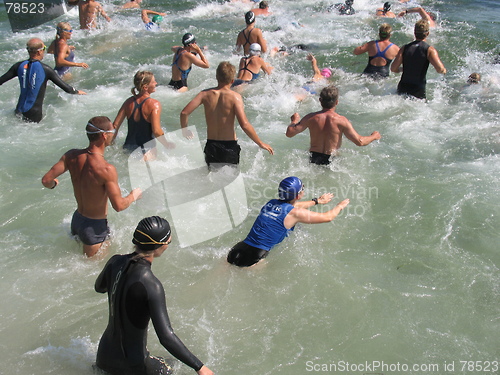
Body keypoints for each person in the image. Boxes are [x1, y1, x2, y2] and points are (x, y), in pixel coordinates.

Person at [95, 216, 214, 375]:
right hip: (133, 366)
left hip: (104, 357)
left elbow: (99, 287)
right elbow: (166, 337)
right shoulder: (151, 285)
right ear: (162, 245)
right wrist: (200, 367)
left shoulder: (114, 261)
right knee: (173, 366)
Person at [41, 117, 142, 257]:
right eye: (112, 131)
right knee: (93, 273)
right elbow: (119, 206)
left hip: (77, 220)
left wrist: (54, 184)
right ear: (104, 135)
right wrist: (133, 196)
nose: (114, 134)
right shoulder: (106, 169)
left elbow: (46, 180)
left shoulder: (71, 156)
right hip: (94, 228)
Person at [228, 176, 350, 267]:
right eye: (302, 189)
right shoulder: (295, 214)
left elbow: (292, 207)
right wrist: (339, 206)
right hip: (256, 257)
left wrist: (316, 201)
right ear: (297, 195)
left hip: (237, 249)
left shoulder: (271, 202)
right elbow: (327, 217)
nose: (304, 191)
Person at [180, 61, 274, 169]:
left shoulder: (204, 94)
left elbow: (184, 112)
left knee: (212, 180)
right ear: (233, 80)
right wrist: (260, 143)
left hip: (211, 145)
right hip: (229, 147)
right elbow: (244, 124)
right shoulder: (235, 97)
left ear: (216, 77)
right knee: (229, 181)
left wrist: (184, 130)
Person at [286, 85, 381, 165]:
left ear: (320, 100)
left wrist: (294, 121)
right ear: (336, 102)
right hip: (332, 160)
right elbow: (360, 141)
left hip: (314, 157)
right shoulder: (342, 121)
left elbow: (289, 133)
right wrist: (374, 136)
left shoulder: (311, 117)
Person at [0, 38, 86, 123]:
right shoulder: (45, 69)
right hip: (34, 114)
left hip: (18, 110)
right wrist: (78, 92)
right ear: (39, 52)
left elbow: (1, 80)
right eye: (44, 48)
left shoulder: (18, 66)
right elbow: (67, 88)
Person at [113, 71, 172, 159]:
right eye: (153, 82)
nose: (156, 83)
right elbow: (156, 131)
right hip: (146, 151)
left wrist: (110, 144)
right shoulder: (154, 104)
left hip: (128, 149)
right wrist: (166, 144)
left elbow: (115, 126)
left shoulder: (128, 102)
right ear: (145, 87)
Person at [391, 20, 446, 100]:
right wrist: (444, 70)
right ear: (427, 34)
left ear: (414, 33)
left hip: (403, 86)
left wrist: (402, 69)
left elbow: (393, 68)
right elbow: (439, 69)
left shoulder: (405, 48)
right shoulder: (429, 50)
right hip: (418, 89)